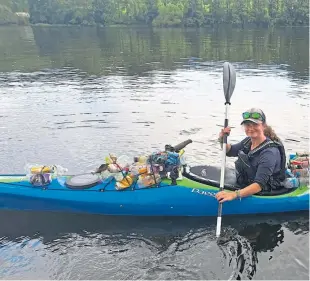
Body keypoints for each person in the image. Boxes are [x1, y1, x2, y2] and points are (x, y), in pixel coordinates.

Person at [215, 108, 287, 203]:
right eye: (247, 125)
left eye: (255, 124)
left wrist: (233, 195)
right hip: (246, 182)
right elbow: (230, 151)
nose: (251, 128)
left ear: (263, 126)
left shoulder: (269, 153)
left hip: (264, 190)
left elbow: (259, 185)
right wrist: (222, 139)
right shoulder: (248, 141)